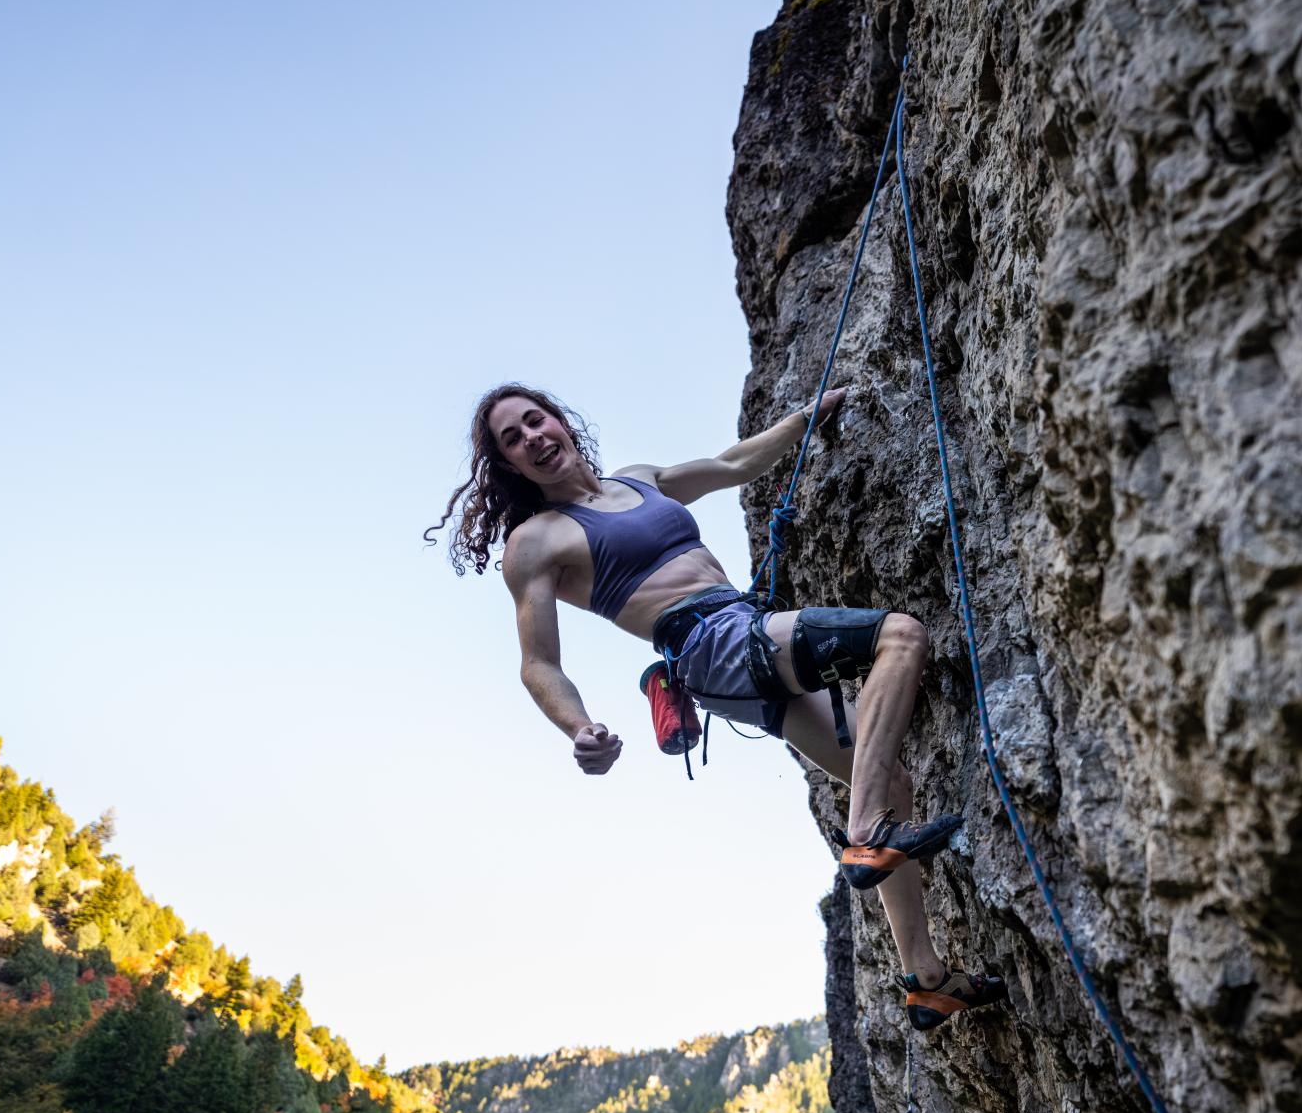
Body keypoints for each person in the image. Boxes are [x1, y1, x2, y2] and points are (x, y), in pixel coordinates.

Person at [427, 383, 1006, 1032]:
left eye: (535, 420)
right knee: (899, 636)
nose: (532, 437)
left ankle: (924, 979)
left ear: (560, 421)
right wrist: (577, 727)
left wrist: (803, 419)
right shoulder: (536, 541)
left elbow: (732, 466)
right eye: (513, 439)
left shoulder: (640, 480)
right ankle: (866, 834)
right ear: (508, 465)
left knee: (888, 779)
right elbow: (539, 662)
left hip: (736, 641)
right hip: (709, 643)